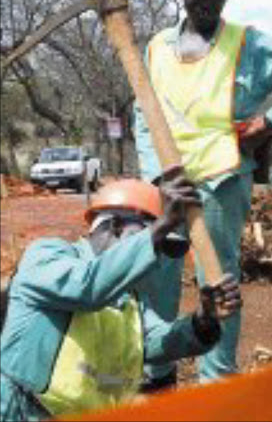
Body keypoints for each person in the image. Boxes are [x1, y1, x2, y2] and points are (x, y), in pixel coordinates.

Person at [133, 0, 272, 383]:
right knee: (157, 276)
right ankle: (156, 369)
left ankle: (216, 379)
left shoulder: (249, 45)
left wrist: (270, 124)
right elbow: (143, 114)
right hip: (166, 183)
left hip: (220, 180)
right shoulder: (157, 48)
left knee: (219, 284)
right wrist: (157, 174)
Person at [0, 165, 242, 421]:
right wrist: (161, 227)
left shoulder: (130, 299)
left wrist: (202, 322)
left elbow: (156, 342)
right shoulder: (47, 255)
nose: (156, 259)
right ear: (114, 226)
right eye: (153, 242)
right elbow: (87, 288)